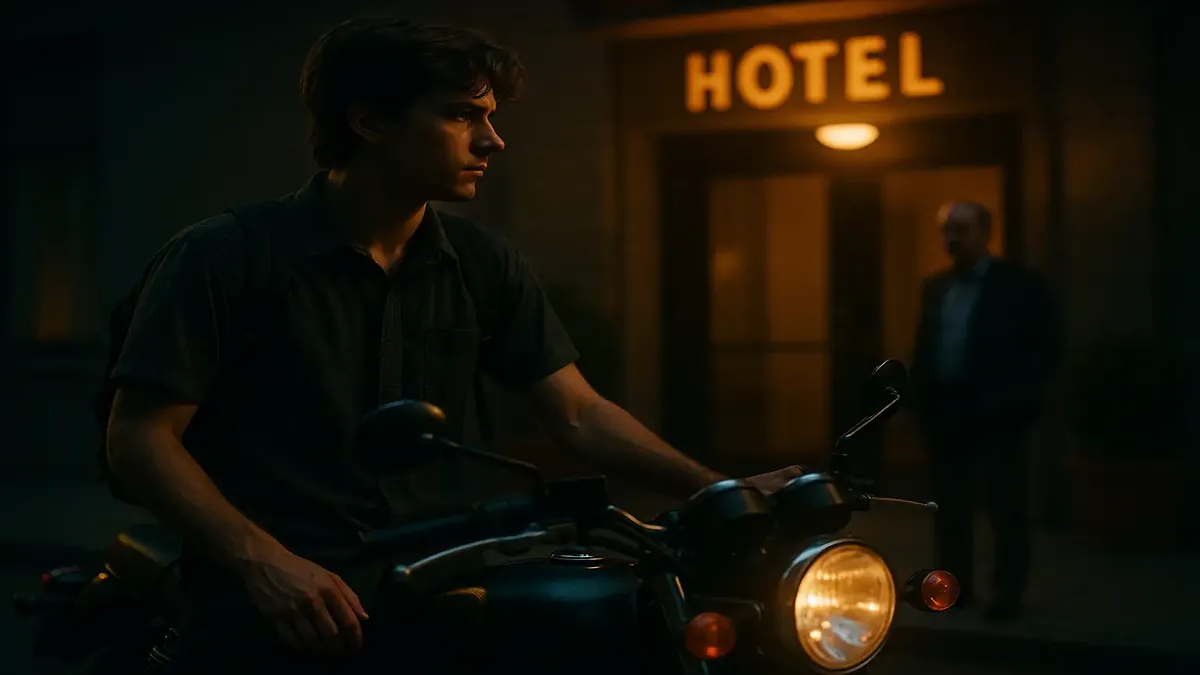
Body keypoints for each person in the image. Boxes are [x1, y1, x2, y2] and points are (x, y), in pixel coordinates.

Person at [104, 16, 802, 674]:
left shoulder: (481, 264)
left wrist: (718, 487)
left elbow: (578, 413)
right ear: (369, 119)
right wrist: (262, 561)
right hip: (274, 604)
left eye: (490, 116)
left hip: (436, 589)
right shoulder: (225, 256)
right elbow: (140, 438)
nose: (492, 140)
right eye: (462, 115)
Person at [910, 201, 1059, 622]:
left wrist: (1018, 397)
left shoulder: (1018, 284)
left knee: (1005, 504)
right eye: (947, 231)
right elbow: (926, 346)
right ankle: (954, 588)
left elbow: (1045, 346)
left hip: (997, 410)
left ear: (984, 232)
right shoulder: (937, 286)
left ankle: (1006, 592)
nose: (952, 239)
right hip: (947, 408)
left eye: (962, 229)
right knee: (950, 507)